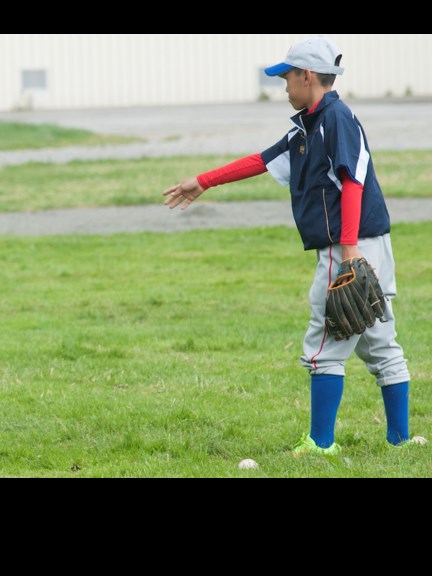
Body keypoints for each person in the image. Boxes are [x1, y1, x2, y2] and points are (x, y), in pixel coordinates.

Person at [163, 36, 421, 456]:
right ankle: (400, 440)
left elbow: (352, 182)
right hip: (365, 244)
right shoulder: (310, 123)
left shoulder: (336, 119)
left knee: (323, 346)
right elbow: (262, 161)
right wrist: (203, 180)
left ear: (307, 76)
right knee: (381, 344)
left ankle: (320, 445)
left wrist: (349, 252)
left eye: (287, 77)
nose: (283, 85)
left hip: (349, 247)